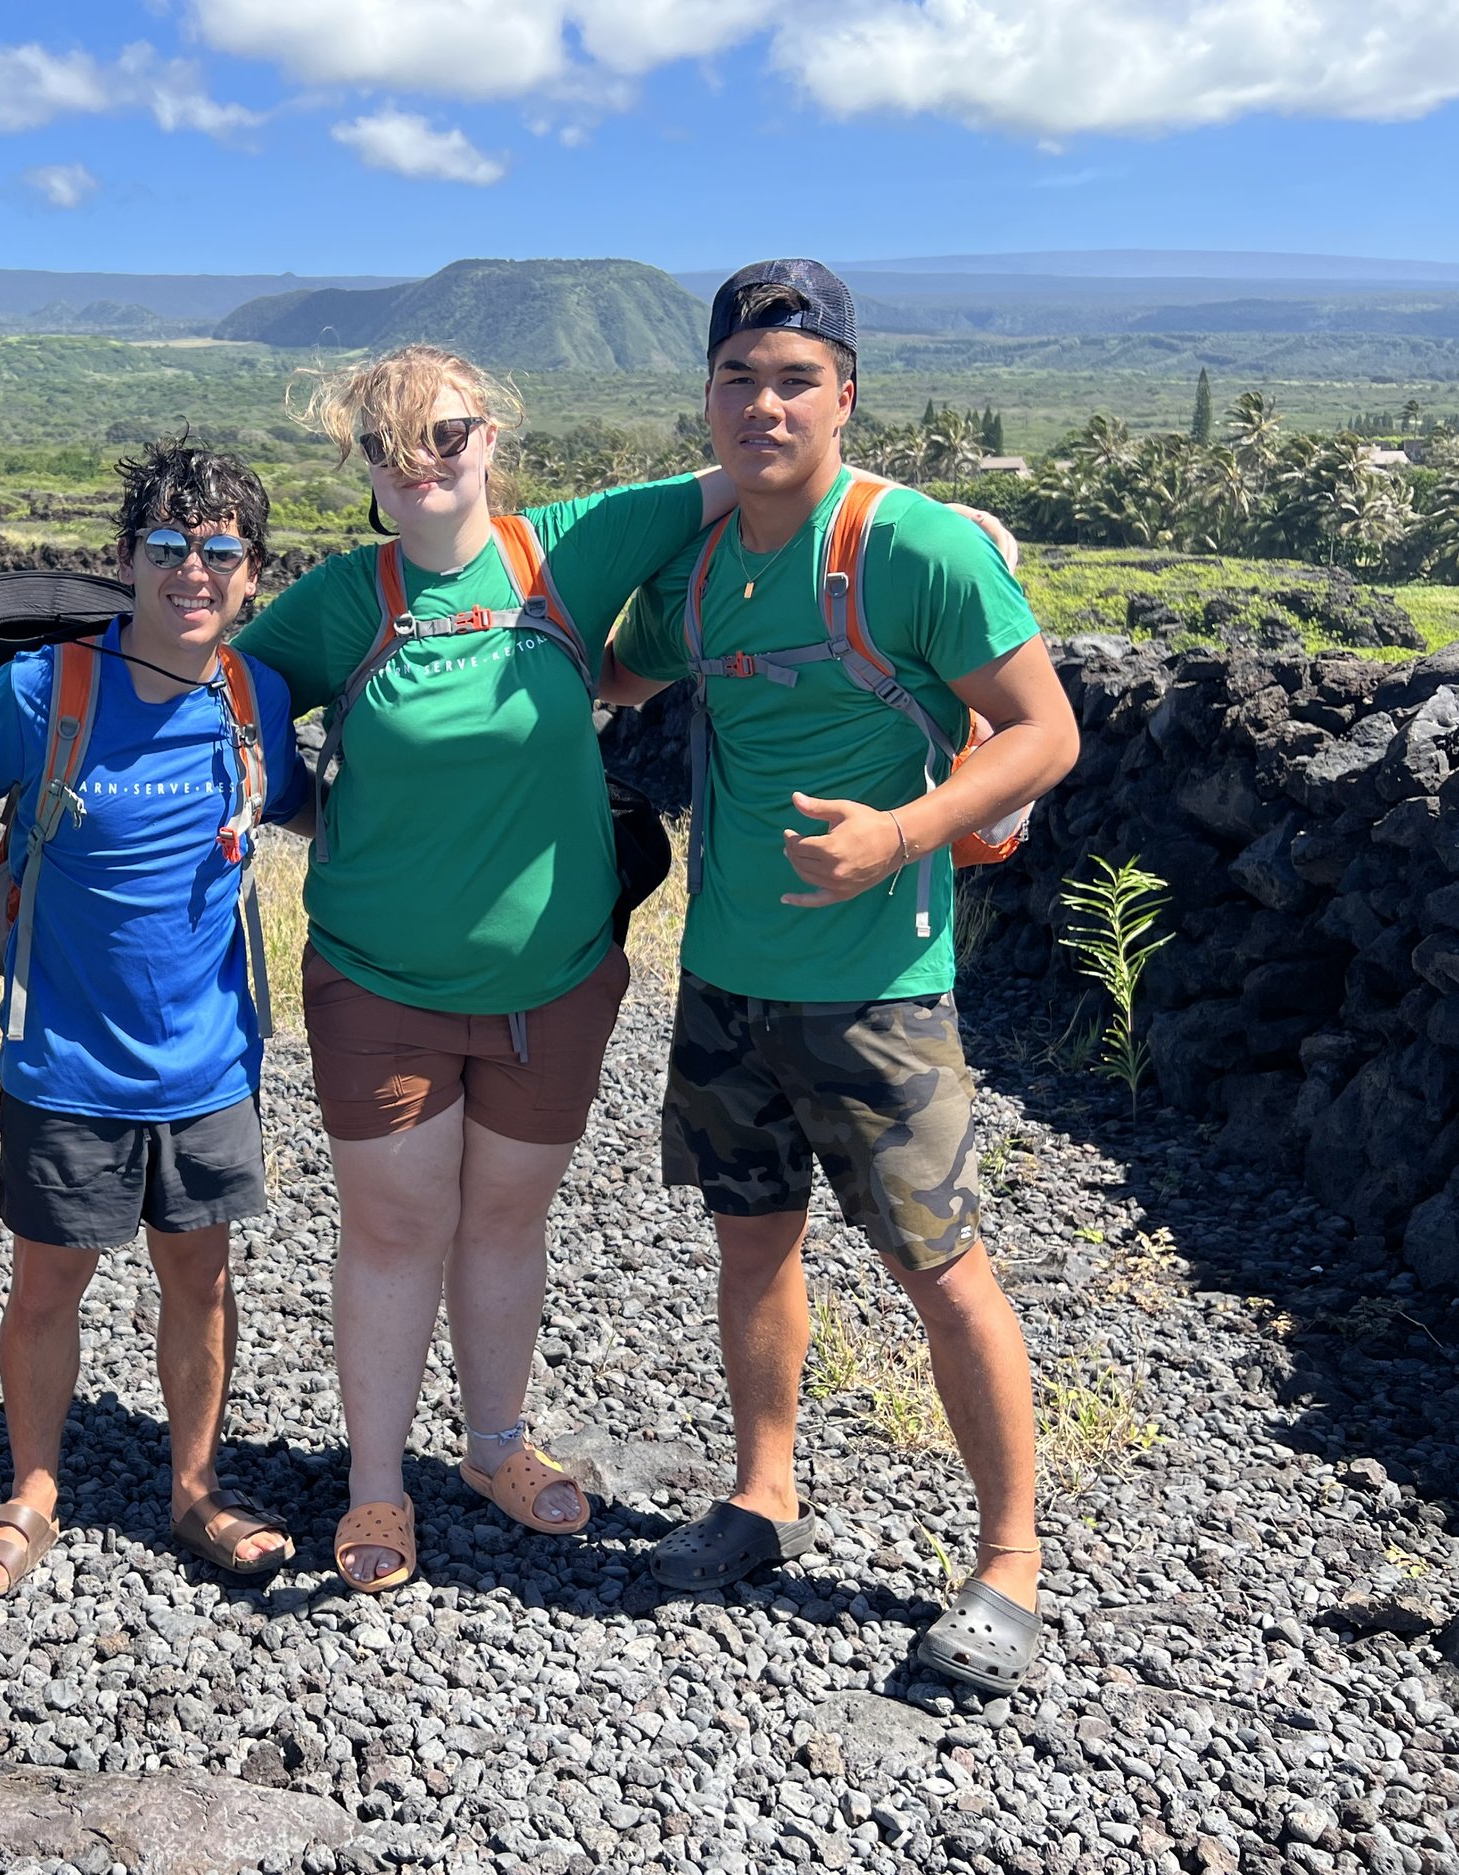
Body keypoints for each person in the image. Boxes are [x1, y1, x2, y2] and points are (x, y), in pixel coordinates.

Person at [599, 260, 1080, 1694]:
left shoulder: (915, 549)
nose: (764, 401)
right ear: (707, 396)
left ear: (844, 395)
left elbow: (1041, 731)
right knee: (754, 1242)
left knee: (941, 1266)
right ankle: (762, 1493)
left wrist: (905, 832)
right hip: (730, 975)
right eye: (739, 375)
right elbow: (615, 676)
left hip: (879, 988)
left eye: (795, 377)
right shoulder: (702, 566)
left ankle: (1009, 1566)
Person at [231, 345, 746, 1594]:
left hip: (554, 979)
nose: (422, 464)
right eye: (388, 446)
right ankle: (373, 1482)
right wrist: (275, 795)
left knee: (510, 1218)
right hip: (377, 974)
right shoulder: (348, 601)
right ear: (363, 467)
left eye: (447, 435)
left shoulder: (570, 549)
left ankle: (496, 1444)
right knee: (396, 1227)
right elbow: (221, 682)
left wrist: (940, 528)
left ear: (492, 439)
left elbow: (766, 473)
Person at [0, 438, 312, 1598]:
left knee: (199, 1279)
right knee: (48, 1283)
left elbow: (317, 812)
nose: (191, 572)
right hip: (62, 1062)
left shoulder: (256, 698)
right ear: (127, 561)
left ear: (252, 572)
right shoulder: (45, 692)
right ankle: (33, 1488)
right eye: (166, 547)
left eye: (218, 551)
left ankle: (195, 1487)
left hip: (210, 1066)